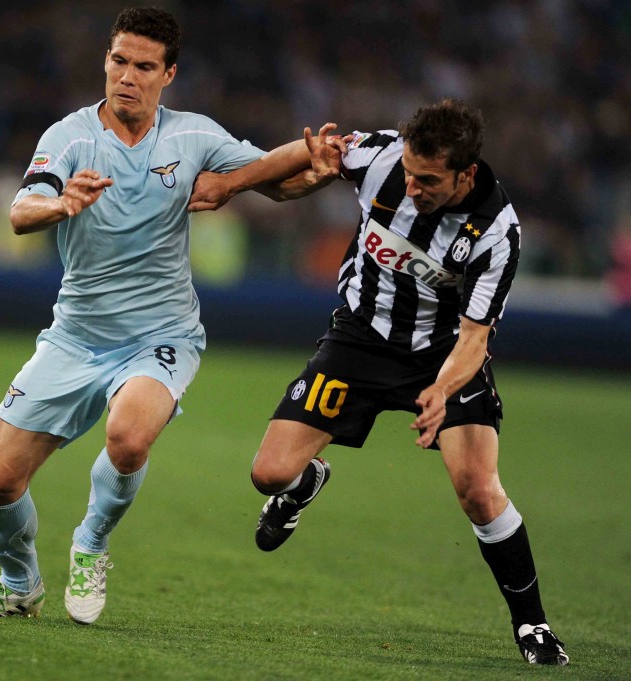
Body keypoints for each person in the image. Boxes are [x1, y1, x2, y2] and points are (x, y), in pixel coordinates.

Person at [0, 6, 325, 625]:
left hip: (161, 335)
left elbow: (275, 180)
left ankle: (91, 545)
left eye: (144, 67)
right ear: (105, 60)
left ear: (168, 74)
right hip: (75, 336)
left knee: (128, 439)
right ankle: (18, 587)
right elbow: (20, 211)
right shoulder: (69, 137)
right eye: (119, 61)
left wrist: (315, 170)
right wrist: (61, 204)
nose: (127, 76)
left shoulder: (192, 137)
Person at [187, 98, 569, 666]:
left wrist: (441, 390)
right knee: (269, 473)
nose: (413, 187)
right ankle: (304, 484)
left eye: (429, 180)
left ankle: (532, 623)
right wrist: (231, 184)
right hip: (359, 340)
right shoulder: (385, 156)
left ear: (466, 174)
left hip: (443, 357)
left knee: (478, 490)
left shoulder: (495, 233)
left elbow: (474, 339)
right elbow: (315, 153)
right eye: (410, 173)